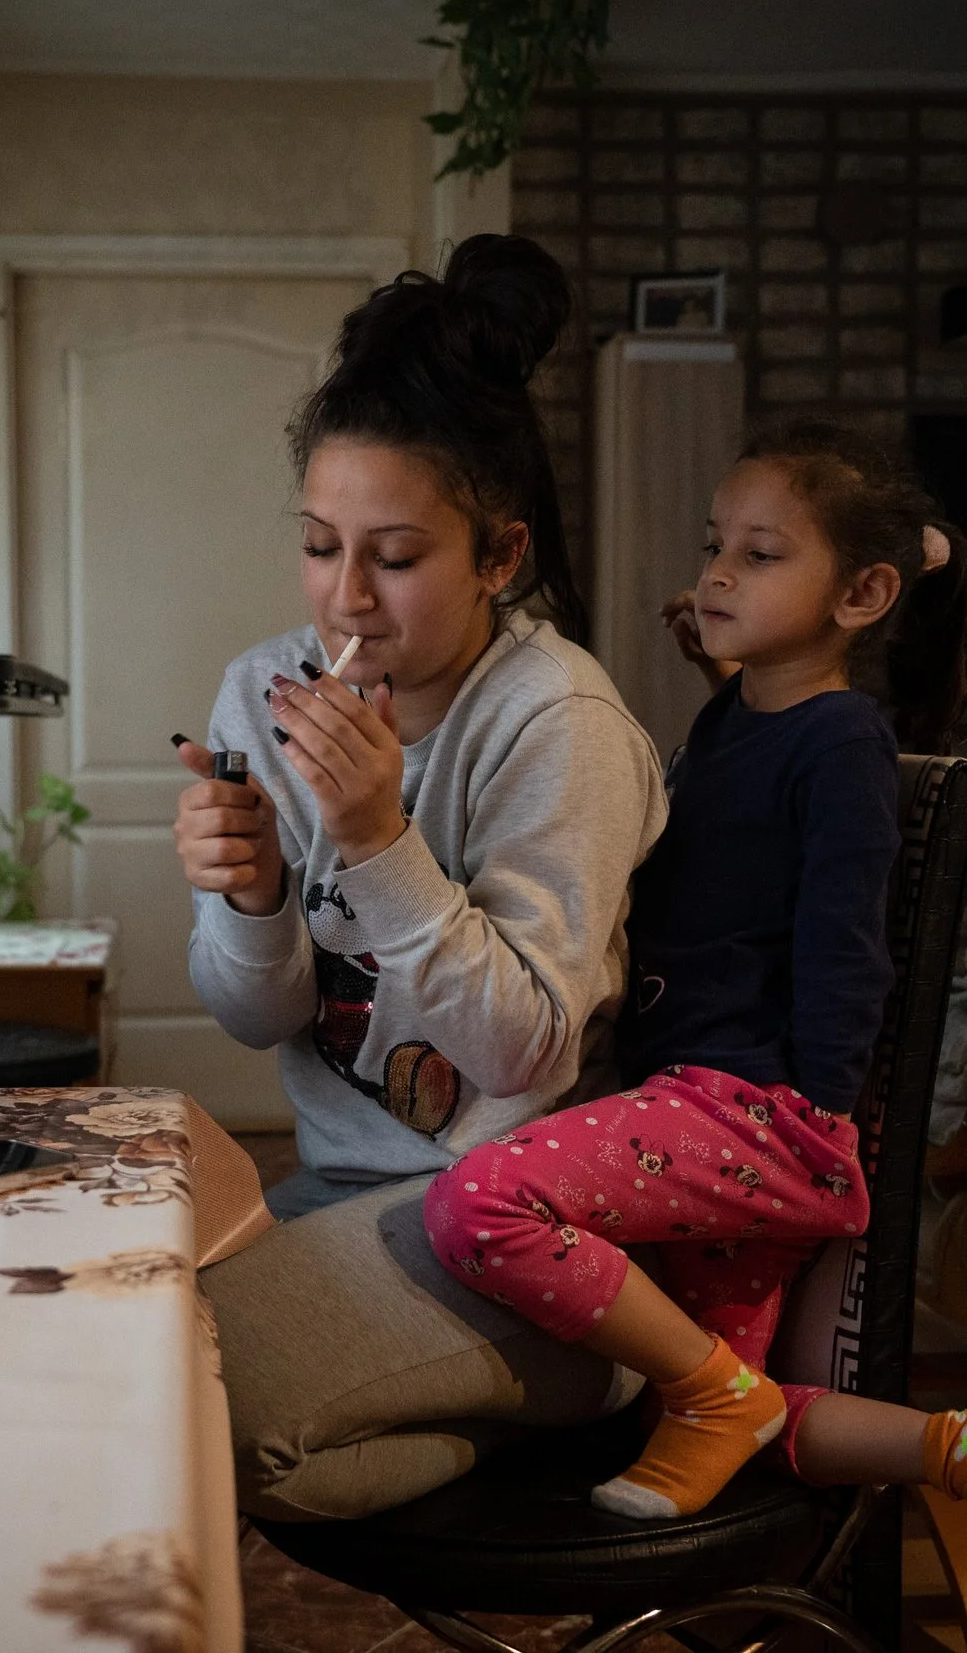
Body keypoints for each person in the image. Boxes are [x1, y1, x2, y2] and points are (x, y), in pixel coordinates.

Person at [423, 422, 967, 1641]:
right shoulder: (735, 724)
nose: (719, 575)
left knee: (480, 1203)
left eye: (758, 553)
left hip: (749, 1111)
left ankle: (719, 1400)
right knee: (739, 1409)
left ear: (860, 595)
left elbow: (847, 948)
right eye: (713, 548)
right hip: (707, 1104)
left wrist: (818, 1123)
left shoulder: (841, 743)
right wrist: (713, 665)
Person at [181, 236, 670, 1519]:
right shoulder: (264, 688)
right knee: (108, 1343)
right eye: (318, 545)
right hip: (340, 1194)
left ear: (499, 555)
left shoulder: (556, 724)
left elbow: (526, 1051)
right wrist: (249, 898)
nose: (346, 600)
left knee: (190, 1411)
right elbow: (255, 1018)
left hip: (526, 1232)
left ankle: (577, 1399)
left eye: (394, 557)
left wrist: (378, 840)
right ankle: (459, 1418)